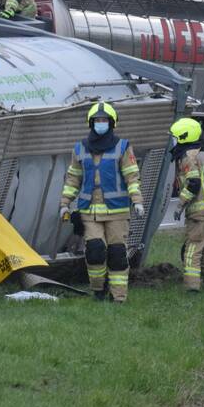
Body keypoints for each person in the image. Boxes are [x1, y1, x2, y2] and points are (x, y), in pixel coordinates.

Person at [59, 102, 145, 303]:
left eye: (104, 120)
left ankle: (119, 297)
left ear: (112, 123)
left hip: (118, 211)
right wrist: (65, 203)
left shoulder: (123, 147)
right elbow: (73, 178)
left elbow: (132, 176)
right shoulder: (79, 148)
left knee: (117, 253)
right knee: (95, 251)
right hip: (90, 212)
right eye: (97, 120)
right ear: (90, 123)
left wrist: (137, 201)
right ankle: (98, 290)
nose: (100, 123)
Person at [169, 117, 204, 295]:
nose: (174, 141)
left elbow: (193, 183)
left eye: (176, 137)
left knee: (192, 251)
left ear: (184, 137)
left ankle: (192, 289)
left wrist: (180, 205)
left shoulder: (187, 157)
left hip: (200, 213)